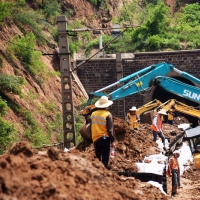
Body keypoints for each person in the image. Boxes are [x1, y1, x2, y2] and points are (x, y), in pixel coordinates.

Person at [91, 96, 116, 168]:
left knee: (97, 156)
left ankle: (97, 170)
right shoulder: (107, 114)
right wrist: (113, 140)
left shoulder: (93, 114)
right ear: (106, 106)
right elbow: (110, 129)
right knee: (105, 155)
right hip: (105, 138)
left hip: (95, 138)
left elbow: (91, 126)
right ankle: (104, 170)